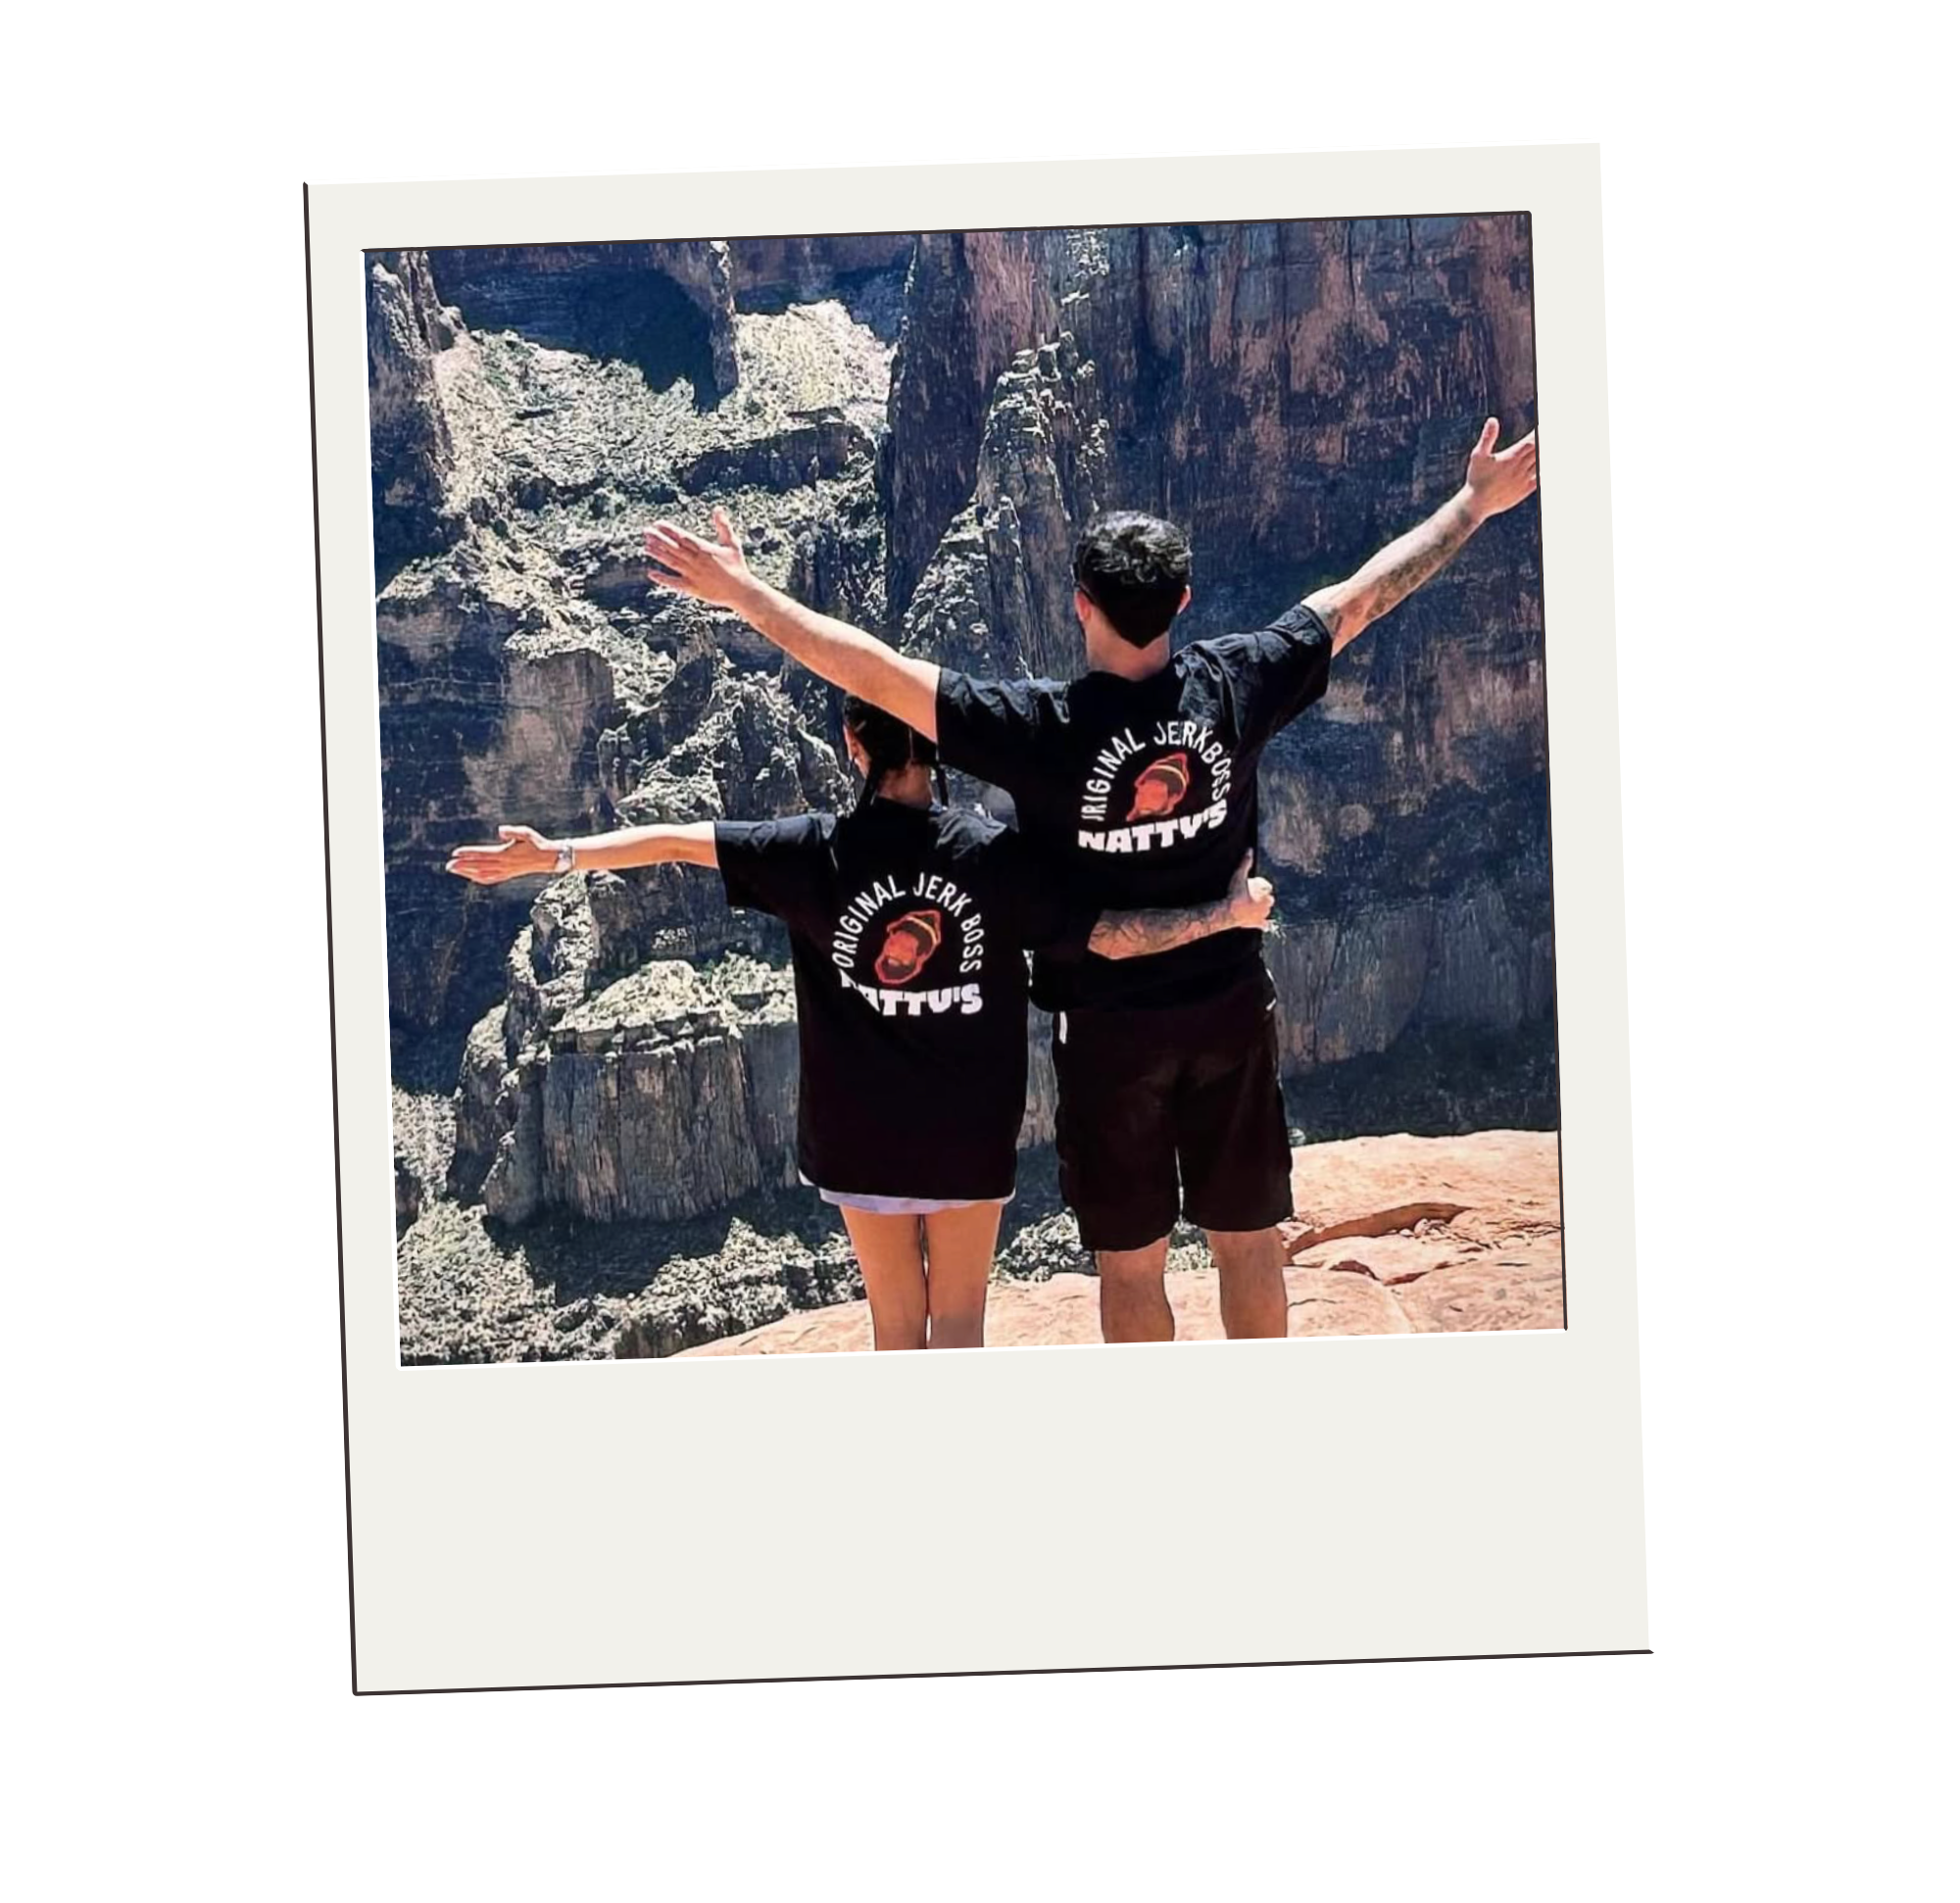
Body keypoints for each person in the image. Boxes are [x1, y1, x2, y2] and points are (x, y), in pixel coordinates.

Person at [642, 416, 1541, 1343]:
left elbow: (871, 670)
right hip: (1231, 1009)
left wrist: (745, 596)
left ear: (1079, 604)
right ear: (1184, 599)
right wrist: (1474, 503)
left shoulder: (1039, 730)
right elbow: (1361, 600)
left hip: (1110, 1038)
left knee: (1130, 1263)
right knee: (1250, 1242)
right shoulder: (1238, 683)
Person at [447, 697, 1276, 1351]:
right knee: (958, 1329)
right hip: (968, 1138)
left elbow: (674, 842)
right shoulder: (993, 857)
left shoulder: (812, 851)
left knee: (894, 1332)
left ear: (853, 742)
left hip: (859, 1139)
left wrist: (554, 853)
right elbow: (1109, 933)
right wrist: (1224, 914)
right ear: (938, 750)